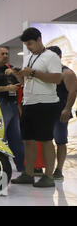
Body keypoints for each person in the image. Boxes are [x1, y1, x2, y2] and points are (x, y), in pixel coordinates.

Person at [10, 28, 62, 188]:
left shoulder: (51, 56)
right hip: (28, 103)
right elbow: (26, 81)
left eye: (30, 43)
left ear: (39, 39)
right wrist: (18, 75)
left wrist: (33, 73)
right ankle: (29, 173)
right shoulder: (28, 57)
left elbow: (57, 78)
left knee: (46, 140)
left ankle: (49, 176)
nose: (29, 47)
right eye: (26, 45)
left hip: (46, 103)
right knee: (28, 140)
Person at [0, 46, 25, 172]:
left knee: (16, 138)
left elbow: (21, 82)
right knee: (0, 137)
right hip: (0, 104)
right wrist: (7, 88)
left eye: (7, 53)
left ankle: (21, 167)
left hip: (13, 105)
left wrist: (15, 73)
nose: (5, 55)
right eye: (2, 53)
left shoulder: (11, 68)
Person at [47, 46, 76, 181]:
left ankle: (59, 170)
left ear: (59, 56)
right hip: (48, 111)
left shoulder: (67, 73)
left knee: (60, 141)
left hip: (60, 112)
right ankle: (49, 168)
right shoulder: (48, 72)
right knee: (47, 141)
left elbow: (73, 92)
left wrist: (67, 109)